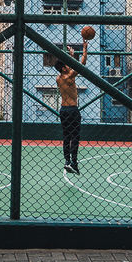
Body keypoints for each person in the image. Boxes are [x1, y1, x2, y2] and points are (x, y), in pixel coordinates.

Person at [54, 40, 87, 175]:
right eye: (66, 64)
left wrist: (71, 56)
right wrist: (84, 49)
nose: (68, 65)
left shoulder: (58, 78)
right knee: (75, 137)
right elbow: (82, 63)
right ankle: (74, 161)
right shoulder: (70, 76)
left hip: (63, 110)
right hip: (72, 110)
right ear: (64, 68)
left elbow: (70, 66)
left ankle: (67, 161)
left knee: (66, 137)